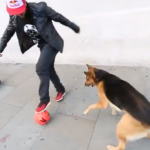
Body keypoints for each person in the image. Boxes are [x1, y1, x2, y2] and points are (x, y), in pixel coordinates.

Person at [0, 0, 80, 113]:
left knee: (41, 68)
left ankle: (44, 99)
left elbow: (58, 17)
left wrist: (72, 26)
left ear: (25, 4)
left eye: (20, 11)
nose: (19, 14)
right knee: (49, 69)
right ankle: (61, 89)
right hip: (42, 44)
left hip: (52, 42)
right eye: (15, 12)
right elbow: (8, 32)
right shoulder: (14, 16)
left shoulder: (40, 8)